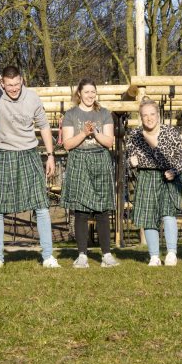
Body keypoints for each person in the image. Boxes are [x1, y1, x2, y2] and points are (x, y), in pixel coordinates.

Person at [0, 66, 59, 268]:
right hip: (3, 154)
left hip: (29, 154)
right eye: (9, 85)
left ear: (22, 81)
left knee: (41, 206)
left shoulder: (32, 98)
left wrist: (50, 155)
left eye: (17, 84)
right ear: (3, 84)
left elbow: (44, 126)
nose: (13, 89)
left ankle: (48, 256)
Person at [60, 79, 119, 268]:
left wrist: (95, 132)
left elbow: (109, 142)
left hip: (100, 160)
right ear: (79, 93)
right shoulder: (70, 114)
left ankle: (107, 255)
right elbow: (68, 144)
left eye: (93, 92)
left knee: (102, 210)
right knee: (81, 211)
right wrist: (84, 133)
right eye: (86, 92)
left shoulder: (104, 113)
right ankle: (82, 255)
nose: (90, 95)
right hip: (79, 160)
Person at [127, 98, 182, 266]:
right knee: (149, 216)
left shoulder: (170, 132)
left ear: (158, 115)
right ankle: (154, 256)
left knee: (168, 214)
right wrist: (131, 162)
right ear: (140, 117)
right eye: (145, 115)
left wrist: (174, 172)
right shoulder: (134, 135)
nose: (149, 118)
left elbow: (179, 158)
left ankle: (171, 253)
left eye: (152, 114)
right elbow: (129, 159)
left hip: (168, 177)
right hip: (146, 176)